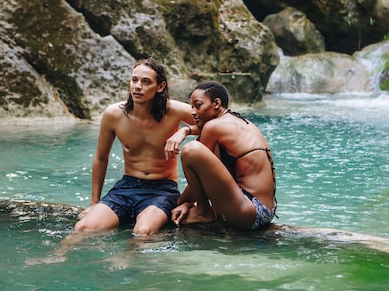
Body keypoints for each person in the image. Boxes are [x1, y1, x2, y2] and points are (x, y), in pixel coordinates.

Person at [74, 57, 195, 235]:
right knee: (82, 228)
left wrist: (185, 131)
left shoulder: (174, 111)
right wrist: (94, 202)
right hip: (127, 186)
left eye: (146, 82)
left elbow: (217, 122)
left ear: (160, 86)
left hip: (162, 189)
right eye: (134, 80)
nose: (138, 86)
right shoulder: (114, 114)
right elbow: (101, 158)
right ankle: (57, 256)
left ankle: (124, 261)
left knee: (143, 231)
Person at [168, 81, 276, 230]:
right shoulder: (241, 122)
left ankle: (203, 211)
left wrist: (178, 204)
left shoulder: (213, 127)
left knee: (191, 150)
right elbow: (211, 174)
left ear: (216, 103)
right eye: (191, 106)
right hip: (266, 212)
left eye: (198, 105)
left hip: (250, 212)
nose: (192, 112)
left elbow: (199, 171)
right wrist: (185, 130)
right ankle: (203, 210)